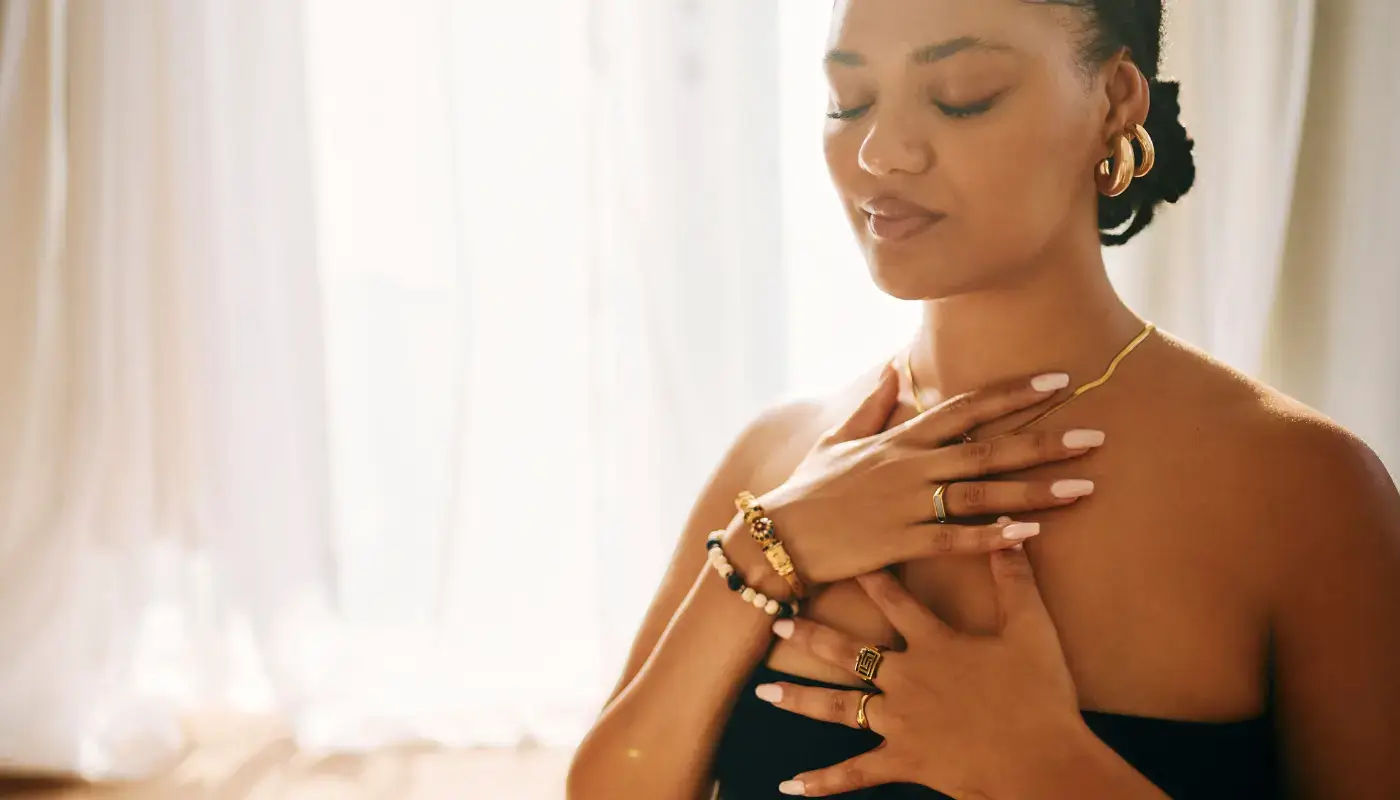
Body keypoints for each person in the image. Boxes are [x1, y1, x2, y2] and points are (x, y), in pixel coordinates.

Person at [567, 0, 1400, 797]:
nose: (879, 153)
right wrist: (768, 550)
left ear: (1113, 99)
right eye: (847, 100)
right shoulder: (776, 460)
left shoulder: (1300, 487)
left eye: (962, 97)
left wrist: (1045, 770)